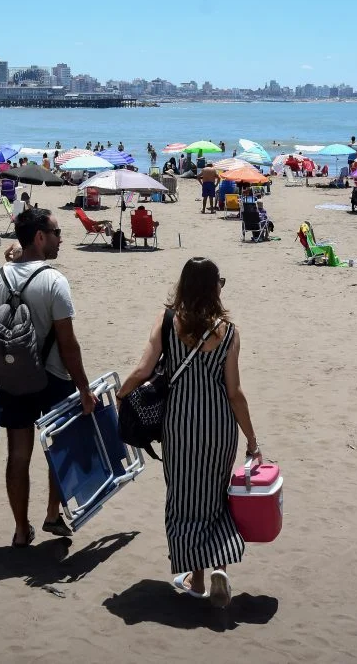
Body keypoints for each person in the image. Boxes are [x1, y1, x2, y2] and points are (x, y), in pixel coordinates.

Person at [118, 257, 259, 607]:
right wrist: (252, 440)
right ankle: (220, 568)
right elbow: (234, 393)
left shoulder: (168, 322)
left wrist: (120, 396)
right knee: (217, 495)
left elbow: (142, 369)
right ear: (215, 288)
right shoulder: (229, 332)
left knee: (183, 499)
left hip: (180, 425)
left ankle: (196, 579)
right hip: (219, 426)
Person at [0, 208, 94, 548]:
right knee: (60, 449)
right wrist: (84, 388)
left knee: (18, 454)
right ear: (39, 237)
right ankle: (53, 513)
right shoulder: (54, 281)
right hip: (53, 378)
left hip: (12, 379)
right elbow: (68, 344)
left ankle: (20, 528)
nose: (60, 239)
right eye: (56, 233)